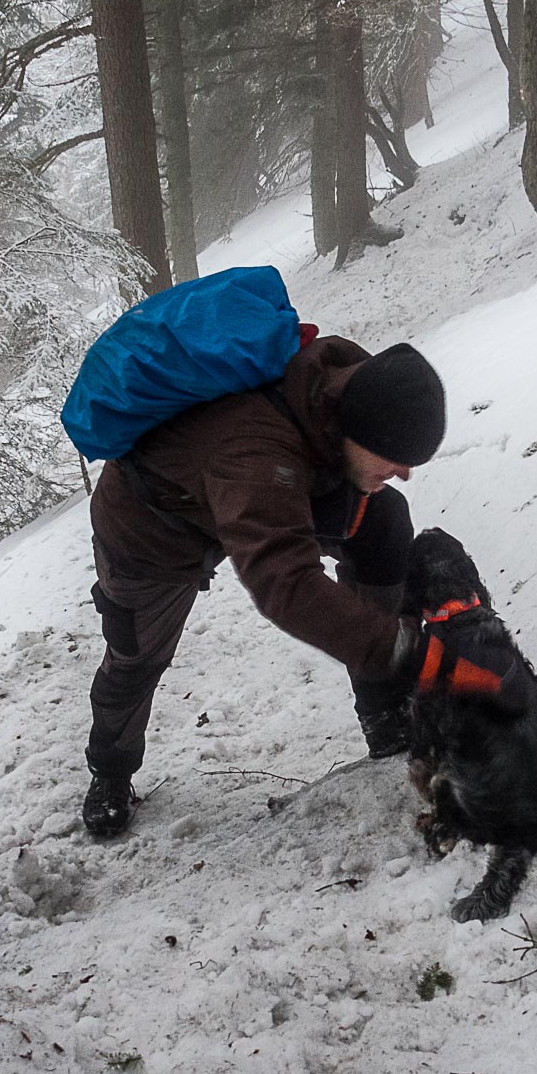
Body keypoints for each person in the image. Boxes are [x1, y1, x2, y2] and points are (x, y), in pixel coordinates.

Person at [80, 337, 449, 837]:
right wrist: (405, 649)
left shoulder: (348, 386)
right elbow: (287, 585)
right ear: (354, 429)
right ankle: (111, 770)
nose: (404, 472)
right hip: (152, 531)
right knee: (136, 654)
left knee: (381, 519)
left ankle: (386, 711)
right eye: (394, 456)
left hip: (271, 483)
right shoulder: (252, 449)